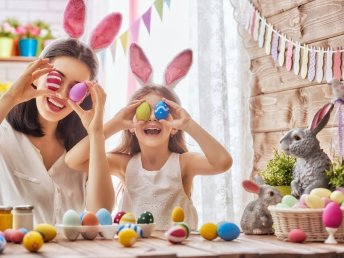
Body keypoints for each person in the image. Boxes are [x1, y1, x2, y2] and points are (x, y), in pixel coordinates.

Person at [65, 43, 233, 230]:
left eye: (161, 112)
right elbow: (73, 161)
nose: (153, 116)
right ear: (131, 125)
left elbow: (222, 162)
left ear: (174, 127)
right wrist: (115, 124)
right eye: (144, 111)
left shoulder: (184, 164)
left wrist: (189, 125)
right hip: (134, 249)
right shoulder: (124, 165)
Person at [0, 0, 121, 225]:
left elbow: (101, 214)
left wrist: (96, 134)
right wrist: (12, 96)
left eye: (76, 88)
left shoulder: (79, 148)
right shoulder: (5, 136)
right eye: (57, 79)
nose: (62, 95)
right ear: (36, 74)